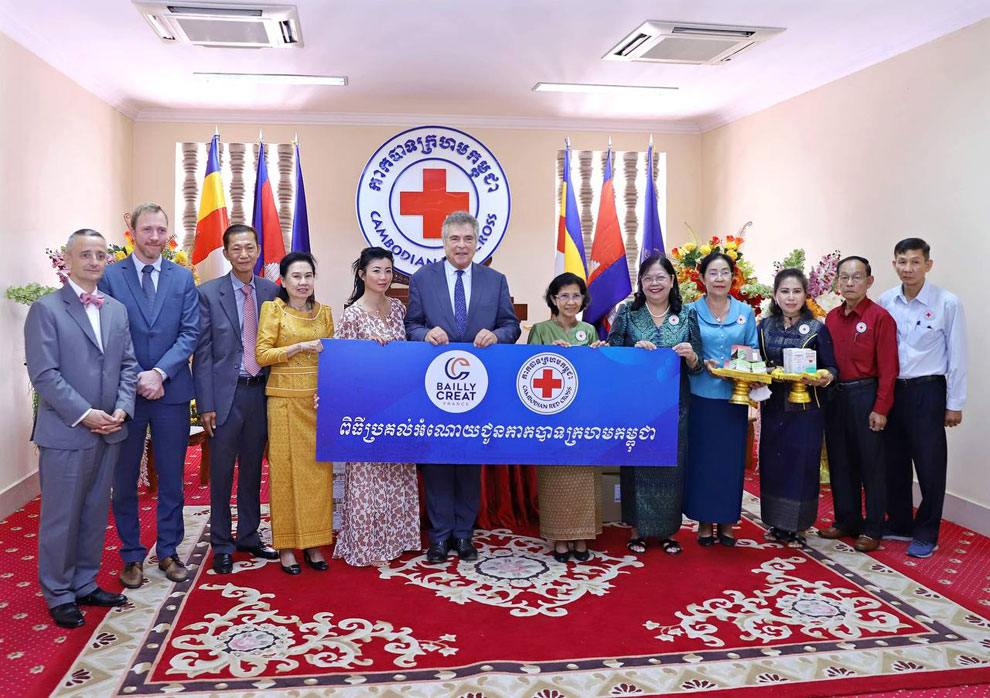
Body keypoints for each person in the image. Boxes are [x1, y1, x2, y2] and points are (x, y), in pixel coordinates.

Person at [24, 229, 138, 628]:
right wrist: (85, 413)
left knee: (93, 510)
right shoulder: (47, 309)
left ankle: (85, 582)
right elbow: (45, 374)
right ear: (67, 261)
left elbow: (128, 364)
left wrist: (123, 408)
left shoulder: (116, 310)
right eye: (84, 254)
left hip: (110, 428)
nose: (93, 261)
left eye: (100, 255)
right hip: (68, 431)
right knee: (62, 514)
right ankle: (58, 592)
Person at [405, 210, 521, 564]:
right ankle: (439, 538)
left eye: (468, 239)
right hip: (436, 389)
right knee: (439, 461)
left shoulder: (495, 279)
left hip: (479, 389)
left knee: (470, 460)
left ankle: (464, 535)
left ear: (476, 242)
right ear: (443, 241)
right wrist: (426, 334)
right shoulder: (422, 279)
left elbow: (511, 326)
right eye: (454, 238)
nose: (461, 245)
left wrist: (497, 335)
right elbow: (411, 326)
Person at [99, 203, 199, 587]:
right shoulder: (110, 276)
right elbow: (108, 333)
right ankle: (131, 555)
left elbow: (190, 332)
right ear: (133, 232)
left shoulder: (182, 277)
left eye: (161, 230)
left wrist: (159, 372)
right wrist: (137, 376)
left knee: (172, 476)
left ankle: (169, 550)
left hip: (170, 391)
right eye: (147, 230)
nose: (154, 237)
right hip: (125, 394)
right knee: (124, 479)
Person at [193, 224, 280, 574]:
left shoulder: (273, 291)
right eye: (237, 249)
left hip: (261, 393)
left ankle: (248, 535)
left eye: (250, 248)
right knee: (222, 473)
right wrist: (206, 405)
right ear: (226, 253)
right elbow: (202, 353)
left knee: (252, 472)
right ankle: (222, 543)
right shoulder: (208, 293)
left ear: (258, 251)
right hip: (224, 396)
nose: (244, 254)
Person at [878, 238, 967, 559]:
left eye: (915, 262)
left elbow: (958, 355)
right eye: (902, 262)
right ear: (894, 264)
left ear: (928, 265)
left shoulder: (947, 303)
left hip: (928, 391)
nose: (908, 269)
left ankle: (927, 532)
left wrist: (955, 403)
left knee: (929, 464)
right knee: (894, 460)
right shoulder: (886, 300)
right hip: (893, 390)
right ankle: (900, 522)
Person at [332, 247, 421, 566]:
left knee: (396, 472)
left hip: (398, 405)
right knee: (370, 479)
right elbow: (341, 364)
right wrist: (368, 353)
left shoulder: (398, 308)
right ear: (362, 275)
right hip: (366, 409)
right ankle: (367, 545)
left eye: (388, 271)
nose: (383, 277)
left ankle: (398, 539)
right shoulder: (352, 314)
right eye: (376, 271)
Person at [608, 256, 702, 555]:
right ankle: (636, 530)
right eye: (648, 278)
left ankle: (669, 532)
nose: (655, 283)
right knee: (638, 465)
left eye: (661, 277)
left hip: (676, 406)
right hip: (638, 406)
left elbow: (699, 365)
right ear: (641, 283)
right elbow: (611, 354)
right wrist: (632, 351)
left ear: (672, 281)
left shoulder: (687, 315)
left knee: (672, 464)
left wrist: (690, 356)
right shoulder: (628, 313)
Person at [256, 251, 335, 574]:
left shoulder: (325, 313)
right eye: (296, 277)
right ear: (284, 281)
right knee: (286, 475)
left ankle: (314, 543)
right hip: (283, 402)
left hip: (317, 403)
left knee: (317, 476)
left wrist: (330, 394)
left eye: (308, 276)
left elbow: (334, 360)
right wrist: (298, 348)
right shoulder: (273, 310)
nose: (303, 283)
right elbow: (262, 354)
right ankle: (287, 545)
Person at [820, 256, 898, 553]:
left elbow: (889, 369)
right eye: (844, 278)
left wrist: (881, 408)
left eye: (856, 277)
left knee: (872, 464)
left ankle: (873, 527)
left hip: (866, 395)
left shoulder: (880, 318)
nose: (849, 283)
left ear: (869, 281)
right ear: (837, 282)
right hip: (835, 396)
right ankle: (846, 521)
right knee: (840, 460)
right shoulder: (831, 318)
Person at [529, 272, 607, 562]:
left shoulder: (589, 330)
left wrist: (599, 355)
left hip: (584, 417)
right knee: (555, 475)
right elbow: (525, 368)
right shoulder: (540, 329)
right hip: (551, 418)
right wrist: (547, 354)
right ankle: (560, 538)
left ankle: (583, 537)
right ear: (553, 299)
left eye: (576, 295)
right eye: (564, 296)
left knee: (585, 475)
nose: (570, 301)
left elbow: (596, 377)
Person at [758, 268, 837, 547]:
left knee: (801, 465)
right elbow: (754, 361)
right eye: (784, 291)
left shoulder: (817, 328)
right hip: (773, 406)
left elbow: (832, 368)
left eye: (796, 291)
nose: (790, 297)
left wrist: (827, 376)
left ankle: (798, 526)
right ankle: (776, 524)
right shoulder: (764, 327)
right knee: (773, 462)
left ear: (805, 295)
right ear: (775, 296)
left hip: (807, 411)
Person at [684, 251, 758, 547]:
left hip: (733, 397)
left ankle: (727, 521)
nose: (718, 278)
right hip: (700, 394)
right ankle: (704, 521)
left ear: (732, 278)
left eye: (724, 273)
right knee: (703, 461)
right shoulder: (690, 311)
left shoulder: (745, 312)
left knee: (730, 461)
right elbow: (685, 346)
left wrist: (734, 370)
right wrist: (704, 363)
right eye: (712, 273)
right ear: (702, 278)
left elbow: (752, 349)